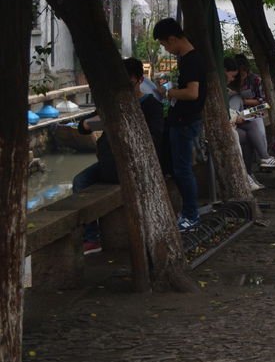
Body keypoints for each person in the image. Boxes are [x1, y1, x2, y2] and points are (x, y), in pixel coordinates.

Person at [74, 57, 165, 254]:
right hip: (108, 161)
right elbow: (83, 126)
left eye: (129, 82)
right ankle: (91, 237)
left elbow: (156, 136)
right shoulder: (111, 103)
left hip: (133, 164)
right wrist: (90, 123)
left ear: (140, 80)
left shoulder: (151, 105)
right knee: (80, 181)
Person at [153, 17, 206, 231]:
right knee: (180, 168)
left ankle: (191, 215)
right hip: (182, 119)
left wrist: (167, 92)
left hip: (185, 121)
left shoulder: (192, 60)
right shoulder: (188, 58)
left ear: (173, 39)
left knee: (183, 170)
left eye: (165, 44)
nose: (166, 49)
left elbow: (192, 93)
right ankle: (188, 212)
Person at [224, 57, 275, 192]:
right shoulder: (226, 90)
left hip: (240, 117)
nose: (235, 79)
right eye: (234, 75)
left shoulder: (253, 80)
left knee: (253, 126)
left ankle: (251, 170)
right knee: (251, 130)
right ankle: (258, 163)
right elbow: (232, 116)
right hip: (233, 122)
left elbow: (262, 102)